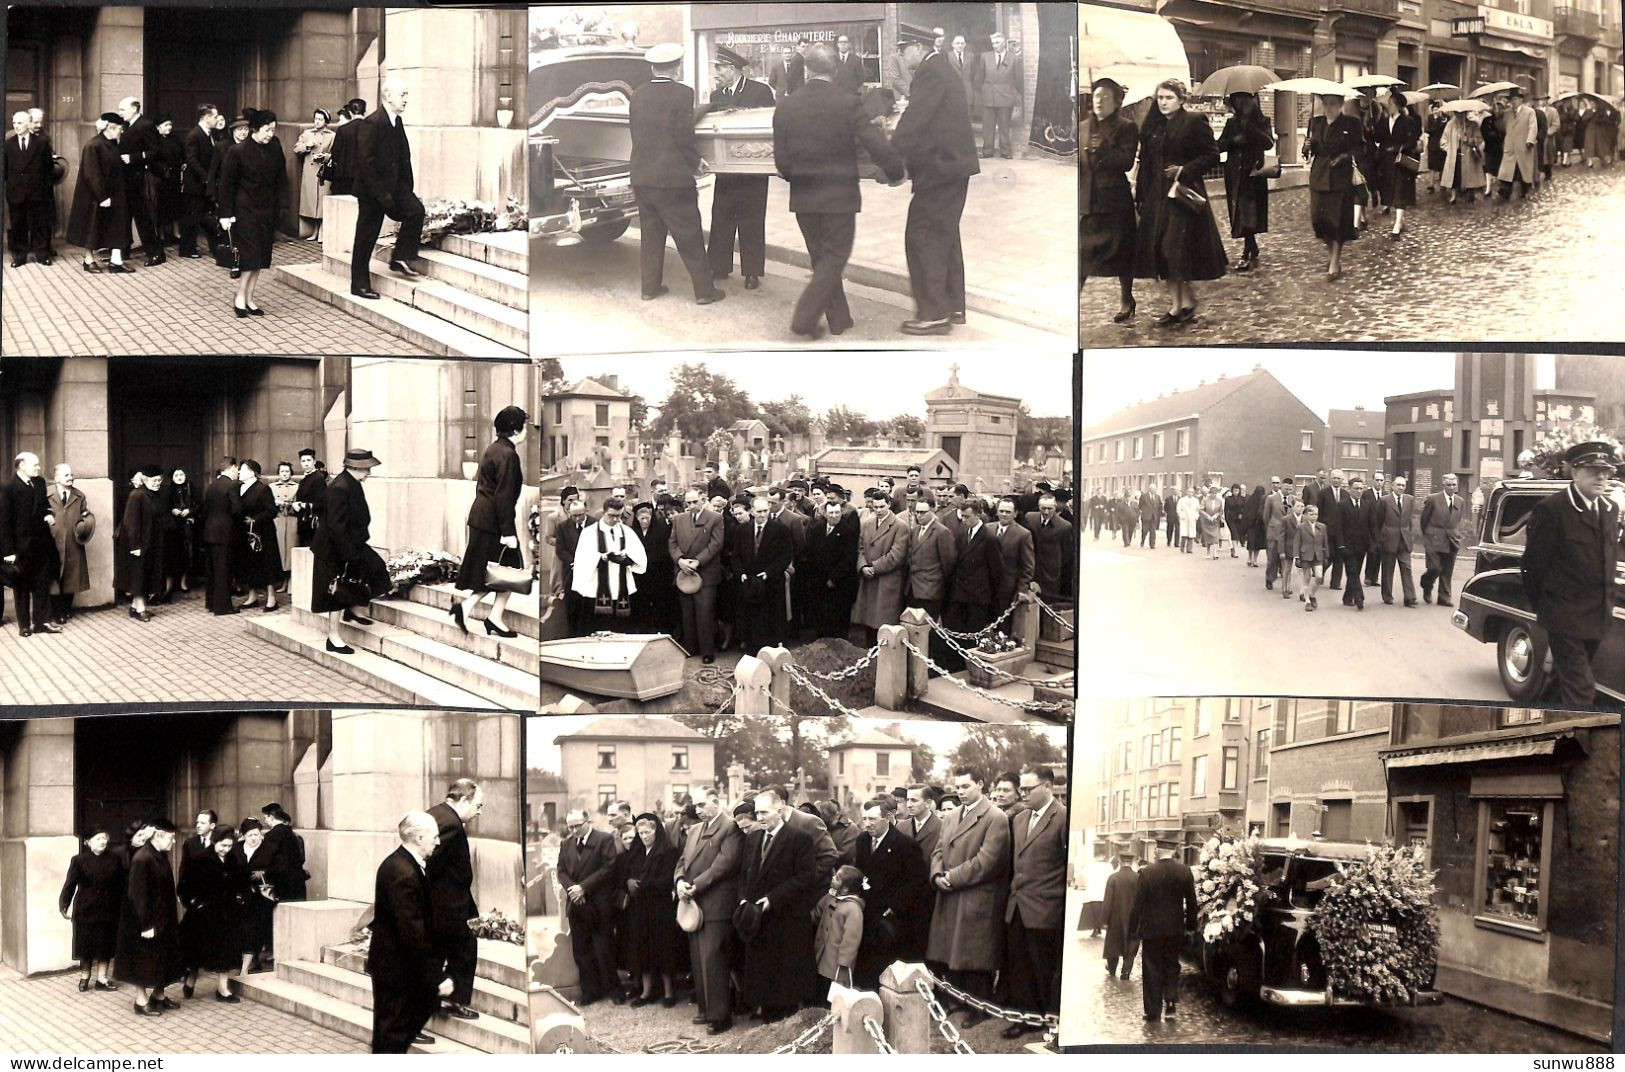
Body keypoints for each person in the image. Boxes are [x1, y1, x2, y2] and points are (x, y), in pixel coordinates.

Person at [772, 42, 905, 339]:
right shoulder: (848, 102)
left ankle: (839, 319)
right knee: (834, 258)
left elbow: (781, 161)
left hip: (804, 197)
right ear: (836, 69)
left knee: (822, 259)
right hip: (839, 196)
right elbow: (874, 143)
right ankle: (804, 318)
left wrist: (800, 176)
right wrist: (896, 172)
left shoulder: (786, 106)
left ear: (807, 69)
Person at [1520, 442, 1622, 707]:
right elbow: (1532, 567)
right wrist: (1549, 610)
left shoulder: (1610, 510)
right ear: (1575, 472)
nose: (1601, 477)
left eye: (1606, 471)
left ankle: (1542, 718)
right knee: (1582, 692)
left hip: (1598, 617)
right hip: (1565, 619)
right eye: (1593, 470)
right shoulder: (1553, 509)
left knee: (1560, 683)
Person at [891, 34, 980, 335]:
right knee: (945, 235)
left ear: (919, 47)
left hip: (940, 170)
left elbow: (915, 119)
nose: (902, 57)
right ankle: (953, 305)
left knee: (922, 235)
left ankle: (933, 314)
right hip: (950, 167)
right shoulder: (940, 68)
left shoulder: (930, 72)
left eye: (904, 50)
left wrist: (890, 157)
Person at [630, 44, 724, 306]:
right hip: (672, 179)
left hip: (642, 175)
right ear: (677, 67)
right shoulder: (683, 93)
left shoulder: (637, 95)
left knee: (650, 235)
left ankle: (650, 288)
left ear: (652, 67)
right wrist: (696, 162)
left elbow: (638, 134)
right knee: (689, 234)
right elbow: (683, 136)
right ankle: (705, 291)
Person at [1132, 79, 1226, 326]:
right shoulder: (1156, 126)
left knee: (1172, 249)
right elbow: (1147, 163)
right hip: (1157, 197)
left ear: (1182, 100)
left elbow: (1212, 155)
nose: (1163, 102)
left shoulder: (1194, 121)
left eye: (1169, 98)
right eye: (1160, 98)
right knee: (1164, 252)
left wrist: (1184, 170)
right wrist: (1141, 195)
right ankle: (1182, 302)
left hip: (1181, 194)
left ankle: (1179, 305)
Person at [927, 767, 1010, 1027]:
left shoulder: (995, 817)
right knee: (953, 954)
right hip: (951, 895)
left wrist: (952, 877)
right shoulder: (951, 816)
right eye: (958, 787)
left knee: (976, 957)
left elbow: (988, 861)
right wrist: (937, 874)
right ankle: (957, 1002)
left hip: (975, 895)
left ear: (981, 785)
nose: (960, 791)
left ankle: (979, 1008)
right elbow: (938, 850)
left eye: (966, 786)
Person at [368, 812, 453, 1052]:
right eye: (434, 837)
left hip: (396, 967)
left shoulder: (401, 863)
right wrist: (436, 976)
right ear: (419, 837)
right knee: (392, 1037)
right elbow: (412, 929)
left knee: (391, 1035)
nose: (438, 842)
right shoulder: (403, 872)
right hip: (397, 971)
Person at [739, 789, 821, 1023]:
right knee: (763, 975)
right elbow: (745, 873)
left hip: (787, 919)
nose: (760, 817)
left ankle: (786, 1025)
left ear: (781, 809)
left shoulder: (799, 838)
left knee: (785, 979)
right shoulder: (753, 837)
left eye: (764, 812)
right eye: (757, 812)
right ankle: (768, 1021)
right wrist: (744, 898)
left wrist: (773, 899)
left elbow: (806, 877)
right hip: (759, 919)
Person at [701, 47, 775, 290]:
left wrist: (742, 114)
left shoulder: (759, 91)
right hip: (726, 168)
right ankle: (719, 265)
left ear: (732, 69)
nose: (716, 73)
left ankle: (752, 272)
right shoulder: (716, 96)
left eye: (719, 68)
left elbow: (769, 122)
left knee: (752, 218)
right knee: (721, 215)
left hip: (753, 167)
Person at [454, 405, 529, 637]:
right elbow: (504, 496)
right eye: (524, 426)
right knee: (508, 571)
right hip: (495, 524)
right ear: (516, 430)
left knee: (492, 572)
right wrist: (508, 532)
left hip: (483, 518)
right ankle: (488, 616)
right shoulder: (509, 455)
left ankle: (481, 613)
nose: (527, 430)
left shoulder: (493, 449)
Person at [350, 78, 426, 300]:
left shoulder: (397, 122)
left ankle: (400, 257)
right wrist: (381, 195)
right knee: (366, 237)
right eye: (402, 94)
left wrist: (406, 189)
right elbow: (366, 162)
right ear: (388, 97)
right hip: (371, 192)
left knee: (416, 210)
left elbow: (403, 157)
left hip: (394, 188)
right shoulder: (372, 122)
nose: (405, 99)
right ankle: (359, 284)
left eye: (406, 94)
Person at [675, 788, 742, 1035]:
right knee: (698, 958)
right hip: (694, 902)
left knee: (714, 959)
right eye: (696, 805)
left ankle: (720, 1015)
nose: (698, 810)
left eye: (702, 805)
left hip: (716, 903)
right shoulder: (694, 830)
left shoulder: (729, 827)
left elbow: (723, 865)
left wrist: (695, 886)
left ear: (716, 802)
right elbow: (682, 861)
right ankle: (705, 1009)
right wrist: (680, 881)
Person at [310, 449, 391, 654]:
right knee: (336, 592)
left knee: (376, 569)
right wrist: (349, 556)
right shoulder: (341, 486)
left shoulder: (350, 483)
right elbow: (336, 526)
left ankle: (354, 608)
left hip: (350, 544)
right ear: (356, 468)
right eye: (367, 469)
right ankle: (333, 637)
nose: (369, 472)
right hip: (334, 549)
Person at [216, 109, 287, 317]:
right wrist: (225, 215)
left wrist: (282, 206)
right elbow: (226, 186)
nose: (270, 134)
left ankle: (250, 298)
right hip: (244, 211)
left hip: (267, 211)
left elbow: (281, 178)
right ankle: (239, 297)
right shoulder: (237, 151)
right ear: (255, 129)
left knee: (261, 258)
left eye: (273, 130)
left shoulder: (275, 148)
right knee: (250, 257)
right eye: (266, 130)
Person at [1080, 77, 1140, 324]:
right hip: (1088, 201)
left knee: (1122, 253)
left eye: (1105, 97)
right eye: (1095, 96)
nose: (1099, 101)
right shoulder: (1083, 127)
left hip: (1114, 201)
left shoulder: (1127, 127)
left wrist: (1105, 149)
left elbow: (1126, 162)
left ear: (1117, 102)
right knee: (1081, 255)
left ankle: (1127, 299)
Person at [852, 796, 929, 984]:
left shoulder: (904, 844)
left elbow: (917, 881)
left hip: (892, 918)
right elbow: (860, 871)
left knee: (887, 966)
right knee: (867, 968)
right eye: (864, 819)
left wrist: (895, 905)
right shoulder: (862, 841)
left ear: (887, 818)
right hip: (867, 912)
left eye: (872, 819)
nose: (867, 824)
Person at [426, 780, 482, 1022]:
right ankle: (453, 999)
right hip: (445, 905)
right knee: (465, 948)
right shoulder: (449, 823)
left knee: (447, 951)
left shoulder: (435, 813)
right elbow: (427, 859)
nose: (480, 811)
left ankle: (441, 1000)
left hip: (444, 903)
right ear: (464, 800)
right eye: (478, 805)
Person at [114, 818, 182, 1017]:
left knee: (162, 958)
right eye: (171, 838)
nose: (174, 842)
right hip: (145, 922)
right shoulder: (143, 858)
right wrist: (145, 925)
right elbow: (137, 896)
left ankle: (158, 996)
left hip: (163, 919)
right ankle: (141, 1002)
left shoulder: (159, 855)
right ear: (159, 836)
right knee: (143, 962)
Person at [557, 809, 621, 1006]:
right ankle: (590, 990)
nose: (575, 830)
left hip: (598, 903)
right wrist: (572, 891)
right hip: (577, 904)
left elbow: (609, 867)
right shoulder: (566, 844)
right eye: (571, 827)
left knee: (605, 948)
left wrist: (583, 888)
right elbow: (561, 871)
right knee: (581, 950)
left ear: (588, 822)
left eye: (578, 825)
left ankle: (614, 989)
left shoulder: (603, 840)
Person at [178, 827, 249, 1003]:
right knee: (197, 951)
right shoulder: (200, 859)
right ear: (214, 842)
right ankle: (191, 978)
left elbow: (242, 882)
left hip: (226, 914)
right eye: (223, 845)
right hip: (203, 915)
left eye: (229, 846)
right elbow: (185, 886)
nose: (226, 849)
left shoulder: (233, 859)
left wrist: (240, 898)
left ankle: (222, 989)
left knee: (225, 952)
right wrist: (195, 903)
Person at [621, 811, 681, 1007]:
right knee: (642, 948)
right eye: (641, 833)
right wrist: (629, 881)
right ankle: (647, 992)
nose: (644, 837)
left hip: (660, 907)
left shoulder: (668, 851)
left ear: (656, 831)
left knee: (663, 947)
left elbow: (666, 880)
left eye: (647, 833)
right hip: (639, 908)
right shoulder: (636, 852)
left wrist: (643, 885)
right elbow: (627, 873)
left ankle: (668, 992)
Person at [2, 451, 62, 637]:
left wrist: (48, 514)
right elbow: (4, 522)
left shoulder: (40, 482)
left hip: (42, 543)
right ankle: (25, 625)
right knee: (22, 586)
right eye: (34, 464)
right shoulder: (9, 488)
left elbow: (44, 505)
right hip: (21, 546)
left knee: (42, 583)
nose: (39, 467)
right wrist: (9, 551)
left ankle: (42, 622)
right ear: (21, 466)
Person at [66, 112, 134, 273]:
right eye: (119, 129)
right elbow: (91, 174)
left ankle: (115, 263)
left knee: (117, 226)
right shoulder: (94, 145)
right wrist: (103, 196)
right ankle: (88, 261)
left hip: (113, 195)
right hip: (95, 197)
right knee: (91, 228)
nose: (122, 131)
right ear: (110, 128)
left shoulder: (112, 144)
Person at [1306, 92, 1362, 280]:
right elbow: (1310, 151)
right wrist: (1307, 147)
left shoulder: (1351, 124)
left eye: (1332, 104)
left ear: (1340, 105)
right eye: (1325, 103)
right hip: (1318, 176)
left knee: (1336, 221)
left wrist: (1344, 156)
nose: (1328, 107)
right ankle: (1332, 255)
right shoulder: (1316, 122)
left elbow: (1360, 147)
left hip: (1339, 179)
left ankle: (1335, 261)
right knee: (1318, 220)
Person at [59, 828, 123, 993]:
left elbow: (120, 884)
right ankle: (85, 976)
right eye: (98, 839)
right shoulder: (79, 860)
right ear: (88, 842)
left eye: (104, 838)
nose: (102, 842)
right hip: (86, 909)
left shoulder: (114, 858)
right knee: (85, 945)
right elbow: (70, 884)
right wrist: (64, 904)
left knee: (105, 945)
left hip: (108, 909)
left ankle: (102, 979)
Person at [727, 497, 793, 653]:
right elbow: (735, 555)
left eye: (765, 511)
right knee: (749, 617)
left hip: (770, 582)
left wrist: (769, 573)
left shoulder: (780, 530)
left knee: (770, 618)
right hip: (749, 582)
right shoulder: (742, 530)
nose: (762, 514)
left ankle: (770, 650)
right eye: (759, 511)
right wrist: (741, 573)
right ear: (752, 511)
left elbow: (785, 556)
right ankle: (751, 648)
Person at [1217, 91, 1273, 272]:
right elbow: (1219, 145)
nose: (1242, 104)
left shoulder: (1263, 121)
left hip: (1254, 171)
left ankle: (1247, 250)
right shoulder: (1232, 123)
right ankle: (1251, 246)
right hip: (1235, 172)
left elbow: (1268, 143)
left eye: (1246, 100)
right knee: (1241, 210)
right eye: (1238, 101)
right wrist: (1234, 140)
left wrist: (1250, 129)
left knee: (1251, 210)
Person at [852, 489, 907, 646]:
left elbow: (896, 556)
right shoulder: (867, 523)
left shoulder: (899, 526)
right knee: (869, 620)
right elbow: (860, 547)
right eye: (875, 507)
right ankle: (869, 652)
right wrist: (862, 566)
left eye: (882, 507)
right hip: (869, 577)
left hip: (886, 580)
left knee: (883, 621)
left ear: (889, 504)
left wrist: (874, 567)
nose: (878, 510)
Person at [6, 109, 56, 266]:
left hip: (36, 191)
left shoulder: (41, 143)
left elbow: (48, 168)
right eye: (14, 123)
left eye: (20, 123)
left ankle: (42, 254)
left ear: (28, 124)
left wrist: (43, 186)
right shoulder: (8, 144)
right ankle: (20, 256)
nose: (16, 126)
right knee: (18, 224)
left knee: (39, 223)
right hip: (16, 191)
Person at [45, 462, 91, 626]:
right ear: (56, 478)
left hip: (73, 543)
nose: (70, 477)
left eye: (71, 474)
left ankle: (64, 610)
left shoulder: (79, 496)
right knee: (52, 579)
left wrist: (84, 526)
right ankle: (54, 612)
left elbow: (87, 515)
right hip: (51, 543)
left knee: (71, 578)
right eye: (66, 475)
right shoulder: (46, 494)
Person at [234, 460, 281, 612]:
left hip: (263, 534)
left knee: (266, 565)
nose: (240, 472)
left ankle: (272, 599)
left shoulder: (263, 489)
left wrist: (255, 520)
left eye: (243, 469)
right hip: (246, 533)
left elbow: (272, 511)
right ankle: (252, 597)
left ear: (252, 472)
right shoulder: (239, 488)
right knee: (250, 564)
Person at [117, 465, 162, 622]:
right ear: (145, 480)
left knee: (144, 576)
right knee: (139, 577)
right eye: (154, 480)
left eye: (159, 480)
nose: (158, 483)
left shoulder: (152, 495)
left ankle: (135, 607)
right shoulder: (137, 496)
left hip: (150, 544)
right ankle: (140, 608)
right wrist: (135, 545)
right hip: (139, 545)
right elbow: (131, 523)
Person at [1375, 90, 1420, 239]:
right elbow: (1379, 137)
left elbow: (1413, 140)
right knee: (1391, 192)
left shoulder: (1408, 121)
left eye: (1391, 104)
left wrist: (1400, 147)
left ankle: (1397, 225)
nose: (1389, 106)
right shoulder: (1383, 121)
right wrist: (1370, 127)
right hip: (1387, 162)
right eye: (1388, 104)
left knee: (1400, 192)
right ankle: (1401, 221)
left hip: (1401, 160)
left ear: (1398, 106)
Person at [201, 457, 243, 616]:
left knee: (212, 570)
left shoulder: (211, 486)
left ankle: (211, 603)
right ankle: (223, 607)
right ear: (232, 468)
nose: (237, 473)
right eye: (237, 470)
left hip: (210, 532)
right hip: (225, 533)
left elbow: (206, 510)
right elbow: (236, 509)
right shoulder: (232, 486)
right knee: (224, 570)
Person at [814, 864, 866, 989]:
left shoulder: (853, 910)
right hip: (820, 959)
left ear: (846, 889)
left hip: (836, 967)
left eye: (837, 878)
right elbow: (817, 912)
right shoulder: (830, 897)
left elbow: (850, 941)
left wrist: (844, 964)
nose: (832, 878)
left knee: (830, 998)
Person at [179, 104, 220, 258]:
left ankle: (213, 247)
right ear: (207, 117)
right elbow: (192, 160)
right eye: (215, 117)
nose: (217, 120)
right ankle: (187, 249)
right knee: (192, 217)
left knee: (205, 216)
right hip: (195, 185)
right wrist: (207, 178)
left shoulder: (208, 134)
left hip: (202, 184)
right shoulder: (194, 135)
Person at [1419, 473, 1465, 607]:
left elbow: (1457, 520)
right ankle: (1426, 585)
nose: (1451, 487)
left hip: (1451, 539)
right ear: (1443, 485)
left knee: (1447, 570)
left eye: (1454, 485)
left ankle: (1444, 597)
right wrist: (1428, 535)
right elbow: (1424, 520)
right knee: (1434, 568)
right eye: (1448, 485)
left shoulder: (1460, 501)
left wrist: (1456, 535)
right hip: (1434, 538)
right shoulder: (1433, 499)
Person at [974, 32, 1022, 159]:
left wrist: (1015, 96)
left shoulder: (1013, 59)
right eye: (993, 43)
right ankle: (987, 151)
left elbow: (1018, 80)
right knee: (988, 126)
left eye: (997, 43)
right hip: (988, 96)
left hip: (1006, 96)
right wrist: (984, 91)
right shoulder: (985, 57)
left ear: (1003, 43)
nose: (995, 46)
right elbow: (980, 77)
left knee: (1004, 126)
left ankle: (1005, 151)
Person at [292, 107, 336, 240]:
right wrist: (307, 146)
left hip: (324, 172)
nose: (317, 122)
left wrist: (325, 157)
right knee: (312, 202)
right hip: (310, 172)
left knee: (323, 200)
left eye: (320, 119)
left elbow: (335, 153)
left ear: (326, 121)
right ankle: (315, 231)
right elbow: (296, 149)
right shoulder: (307, 134)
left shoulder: (332, 135)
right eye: (316, 118)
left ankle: (322, 230)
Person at [1375, 475, 1418, 606]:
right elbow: (1378, 521)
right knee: (1388, 569)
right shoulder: (1384, 501)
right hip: (1389, 539)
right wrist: (1380, 539)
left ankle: (1410, 597)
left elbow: (1409, 519)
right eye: (1398, 485)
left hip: (1404, 539)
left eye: (1403, 485)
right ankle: (1387, 595)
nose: (1401, 488)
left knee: (1406, 568)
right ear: (1392, 486)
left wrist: (1409, 535)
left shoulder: (1409, 500)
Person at [158, 467, 198, 601]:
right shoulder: (168, 490)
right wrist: (173, 510)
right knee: (175, 555)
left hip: (188, 526)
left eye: (182, 474)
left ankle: (184, 582)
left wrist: (190, 511)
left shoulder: (191, 488)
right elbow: (164, 507)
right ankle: (172, 584)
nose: (180, 477)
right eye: (176, 475)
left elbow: (199, 504)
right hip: (173, 528)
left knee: (188, 554)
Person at [1101, 854, 1140, 980]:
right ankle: (1126, 972)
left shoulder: (1113, 878)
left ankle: (1112, 970)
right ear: (1132, 861)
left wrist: (1104, 921)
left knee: (1113, 944)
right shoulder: (1138, 878)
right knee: (1131, 945)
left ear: (1119, 861)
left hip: (1115, 919)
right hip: (1133, 919)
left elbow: (1107, 901)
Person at [1498, 87, 1538, 202]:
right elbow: (1501, 127)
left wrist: (1530, 140)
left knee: (1522, 172)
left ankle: (1524, 192)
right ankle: (1505, 193)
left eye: (1515, 99)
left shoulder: (1529, 112)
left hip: (1523, 147)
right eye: (1512, 100)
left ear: (1521, 100)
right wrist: (1496, 113)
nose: (1513, 102)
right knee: (1507, 173)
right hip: (1510, 147)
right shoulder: (1507, 113)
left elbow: (1532, 127)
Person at [268, 462, 298, 592]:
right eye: (282, 472)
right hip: (278, 521)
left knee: (291, 550)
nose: (285, 474)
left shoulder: (297, 487)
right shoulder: (271, 487)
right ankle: (283, 581)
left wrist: (292, 504)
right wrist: (276, 503)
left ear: (291, 473)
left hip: (291, 521)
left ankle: (291, 582)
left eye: (287, 471)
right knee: (280, 552)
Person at [1295, 504, 1329, 611]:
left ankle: (1312, 594)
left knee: (1319, 577)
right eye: (1311, 514)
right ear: (1306, 515)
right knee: (1307, 578)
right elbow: (1297, 542)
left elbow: (1325, 542)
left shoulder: (1322, 527)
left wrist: (1327, 555)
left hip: (1318, 554)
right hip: (1305, 555)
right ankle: (1307, 602)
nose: (1314, 516)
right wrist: (1296, 557)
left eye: (1316, 514)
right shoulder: (1301, 527)